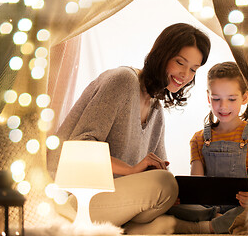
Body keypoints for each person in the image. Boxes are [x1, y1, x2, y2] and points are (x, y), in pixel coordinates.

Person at [47, 23, 211, 233]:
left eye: (193, 69)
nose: (185, 74)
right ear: (161, 54)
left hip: (119, 205)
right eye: (180, 62)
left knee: (166, 220)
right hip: (78, 199)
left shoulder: (156, 110)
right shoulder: (122, 81)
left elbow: (159, 169)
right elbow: (81, 146)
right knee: (164, 184)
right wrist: (132, 170)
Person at [168, 61, 248, 234]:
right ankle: (216, 221)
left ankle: (207, 227)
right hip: (207, 208)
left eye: (231, 99)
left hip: (240, 207)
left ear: (245, 97)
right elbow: (197, 184)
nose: (223, 106)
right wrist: (181, 197)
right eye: (216, 99)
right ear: (209, 98)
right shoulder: (199, 138)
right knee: (167, 206)